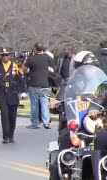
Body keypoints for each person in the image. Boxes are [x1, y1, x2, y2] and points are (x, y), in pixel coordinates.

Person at [48, 50, 101, 180]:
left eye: (94, 67)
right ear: (79, 68)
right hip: (74, 125)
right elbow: (61, 98)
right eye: (88, 67)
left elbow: (103, 99)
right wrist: (56, 103)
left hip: (96, 125)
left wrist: (95, 108)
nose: (92, 70)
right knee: (61, 159)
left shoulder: (102, 85)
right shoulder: (69, 84)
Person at [0, 48, 25, 143]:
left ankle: (11, 135)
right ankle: (5, 136)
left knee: (12, 116)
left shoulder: (16, 66)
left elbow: (21, 80)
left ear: (10, 56)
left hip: (13, 93)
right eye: (3, 55)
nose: (5, 57)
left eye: (7, 55)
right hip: (1, 94)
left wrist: (23, 91)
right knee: (4, 115)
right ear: (1, 56)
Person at [22, 42, 53, 129]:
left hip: (34, 83)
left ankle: (35, 123)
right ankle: (46, 122)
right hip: (45, 84)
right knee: (45, 104)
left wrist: (26, 59)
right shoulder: (48, 57)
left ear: (35, 48)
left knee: (34, 104)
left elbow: (24, 70)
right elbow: (52, 69)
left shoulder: (31, 58)